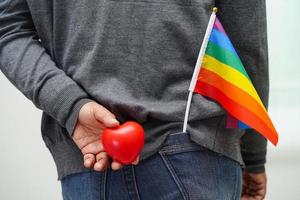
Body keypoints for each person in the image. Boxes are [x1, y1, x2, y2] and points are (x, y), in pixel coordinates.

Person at [0, 0, 269, 199]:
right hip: (194, 151)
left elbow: (8, 30)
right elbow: (247, 43)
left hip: (89, 156)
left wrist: (70, 105)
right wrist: (252, 155)